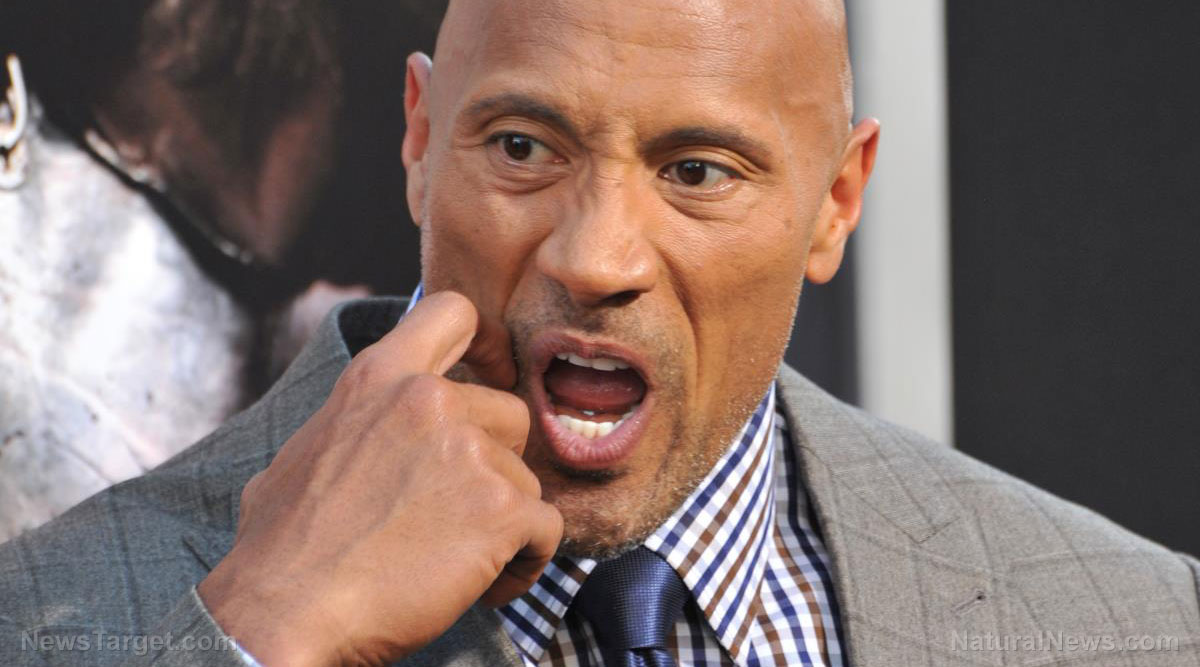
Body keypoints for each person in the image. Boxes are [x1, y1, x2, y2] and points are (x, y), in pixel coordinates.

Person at [1, 0, 1197, 665]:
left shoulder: (1137, 625)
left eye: (696, 169)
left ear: (837, 200)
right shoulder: (46, 611)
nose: (595, 257)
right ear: (420, 140)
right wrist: (262, 637)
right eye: (524, 147)